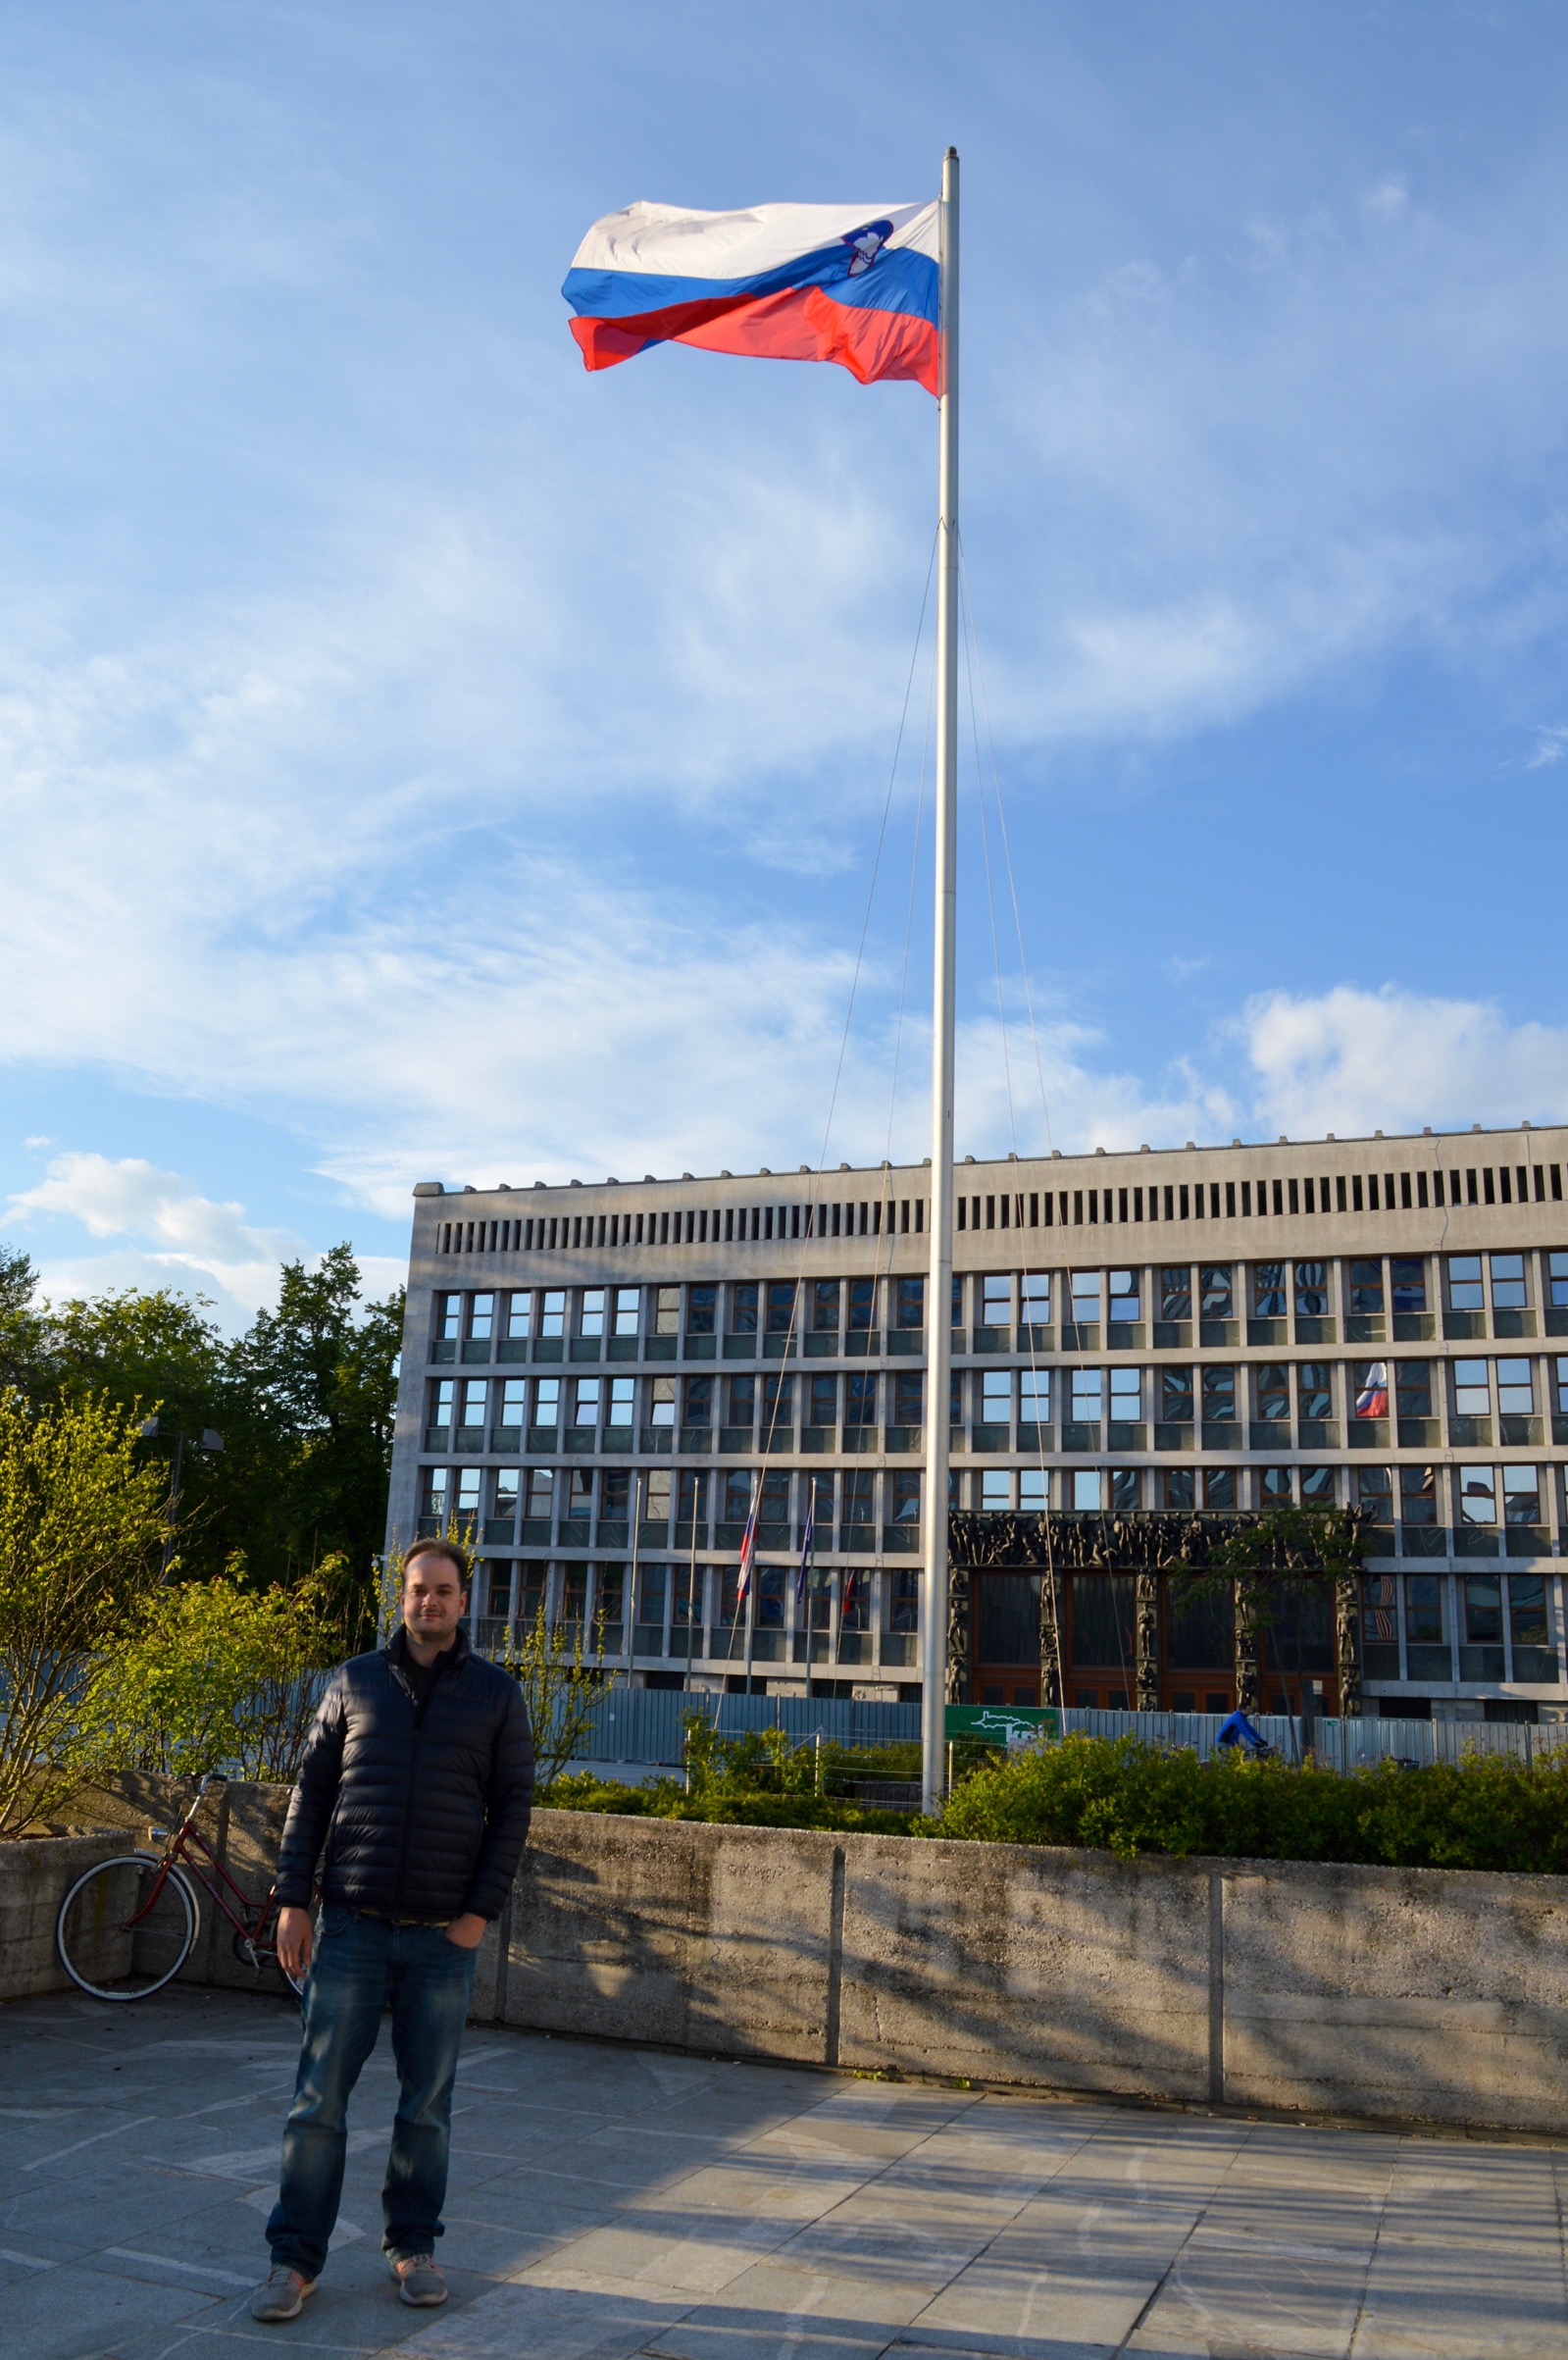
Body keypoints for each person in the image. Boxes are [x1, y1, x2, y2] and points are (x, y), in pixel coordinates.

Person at [250, 1539, 533, 2325]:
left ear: (462, 1601)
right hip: (350, 1927)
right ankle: (293, 2262)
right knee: (317, 2104)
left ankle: (413, 2249)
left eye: (443, 1590)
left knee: (426, 2107)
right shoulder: (353, 1683)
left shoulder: (496, 1696)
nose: (429, 1602)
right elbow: (310, 1795)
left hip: (444, 1940)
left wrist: (478, 1917)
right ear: (399, 1597)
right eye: (417, 1590)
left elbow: (512, 1812)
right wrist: (293, 1898)